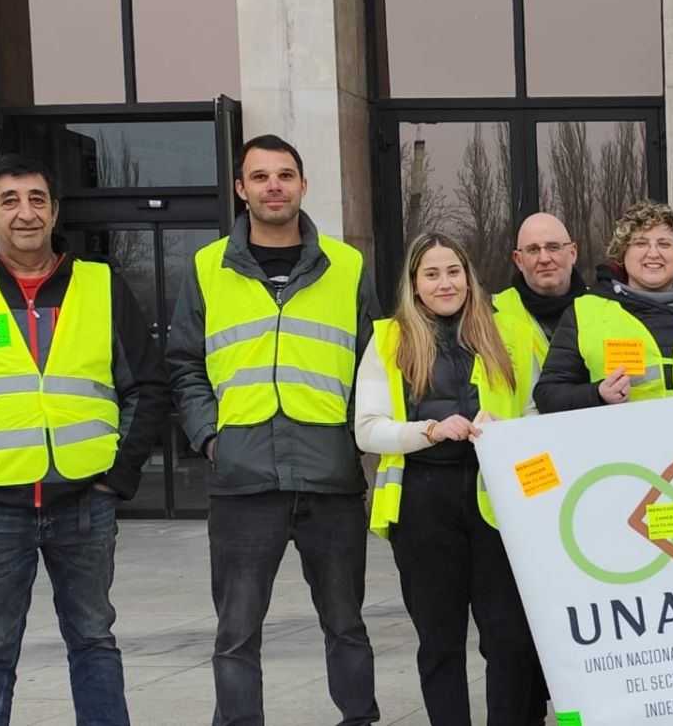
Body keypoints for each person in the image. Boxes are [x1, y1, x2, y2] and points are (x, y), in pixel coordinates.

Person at [167, 135, 380, 726]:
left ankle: (360, 719)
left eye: (285, 175)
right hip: (241, 479)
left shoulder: (349, 266)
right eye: (260, 177)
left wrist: (361, 440)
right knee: (236, 634)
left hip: (329, 477)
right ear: (241, 190)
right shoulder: (207, 268)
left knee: (347, 625)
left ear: (304, 185)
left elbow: (374, 365)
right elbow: (183, 361)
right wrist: (212, 437)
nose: (274, 187)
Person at [0, 156, 169, 726]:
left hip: (84, 502)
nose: (26, 213)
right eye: (10, 200)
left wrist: (118, 478)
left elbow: (145, 383)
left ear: (55, 211)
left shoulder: (98, 282)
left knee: (94, 640)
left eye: (37, 199)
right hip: (0, 507)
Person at [356, 232, 545, 726]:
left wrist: (514, 431)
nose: (445, 283)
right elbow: (367, 430)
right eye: (432, 274)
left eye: (454, 271)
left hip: (497, 501)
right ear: (414, 285)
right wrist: (430, 430)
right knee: (439, 643)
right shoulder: (390, 338)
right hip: (424, 504)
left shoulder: (509, 334)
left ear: (470, 277)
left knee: (509, 639)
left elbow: (535, 411)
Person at [533, 200, 673, 412]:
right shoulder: (585, 312)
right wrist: (598, 393)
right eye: (640, 243)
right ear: (623, 253)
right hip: (622, 442)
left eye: (664, 244)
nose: (653, 253)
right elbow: (547, 395)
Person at [493, 212, 584, 352]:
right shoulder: (491, 313)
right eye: (533, 250)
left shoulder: (604, 310)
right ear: (518, 260)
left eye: (553, 247)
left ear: (573, 253)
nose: (544, 259)